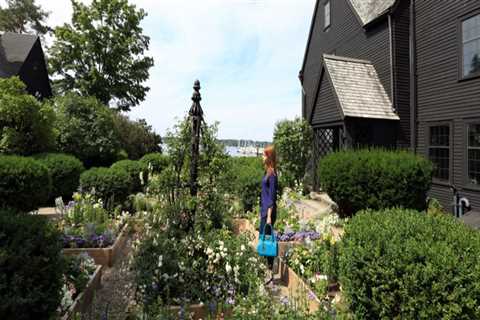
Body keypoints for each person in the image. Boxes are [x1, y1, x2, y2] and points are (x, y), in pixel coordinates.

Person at [259, 145, 278, 284]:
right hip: (264, 211)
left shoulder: (272, 175)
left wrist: (269, 216)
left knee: (268, 241)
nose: (262, 157)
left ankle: (269, 273)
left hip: (269, 213)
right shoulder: (267, 172)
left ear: (269, 157)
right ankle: (266, 271)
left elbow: (271, 197)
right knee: (264, 240)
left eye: (264, 155)